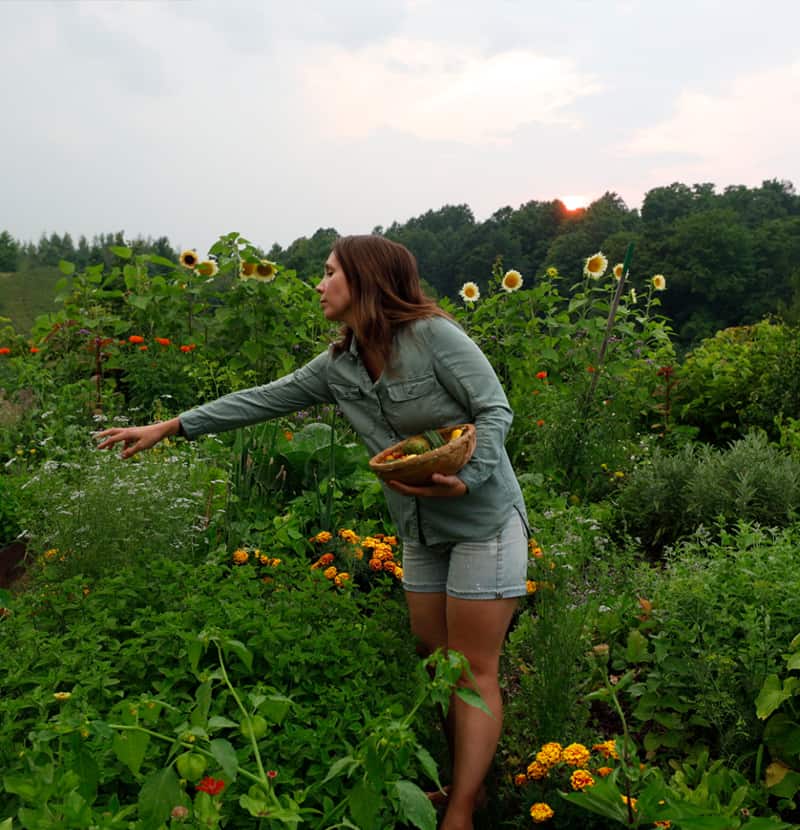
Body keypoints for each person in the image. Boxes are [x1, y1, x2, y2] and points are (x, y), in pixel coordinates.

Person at [96, 234, 528, 830]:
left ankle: (460, 813)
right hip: (421, 527)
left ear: (366, 280)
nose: (319, 284)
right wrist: (171, 426)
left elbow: (495, 409)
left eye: (329, 273)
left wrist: (469, 477)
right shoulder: (340, 365)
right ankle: (467, 784)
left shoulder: (433, 337)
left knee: (473, 666)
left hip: (483, 520)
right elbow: (264, 399)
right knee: (436, 659)